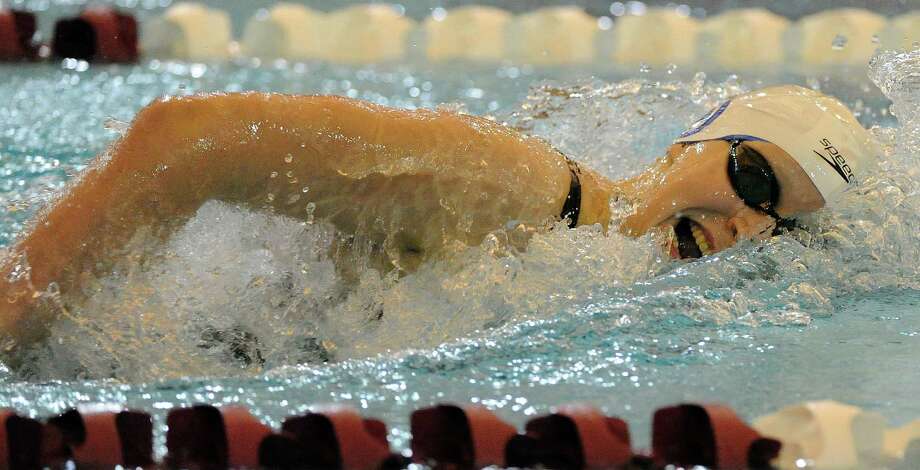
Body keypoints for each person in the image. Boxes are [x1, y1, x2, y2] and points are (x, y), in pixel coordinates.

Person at [0, 85, 878, 350]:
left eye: (788, 225)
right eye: (757, 177)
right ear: (698, 140)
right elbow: (188, 137)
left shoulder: (589, 271)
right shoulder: (532, 192)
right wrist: (15, 318)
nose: (754, 227)